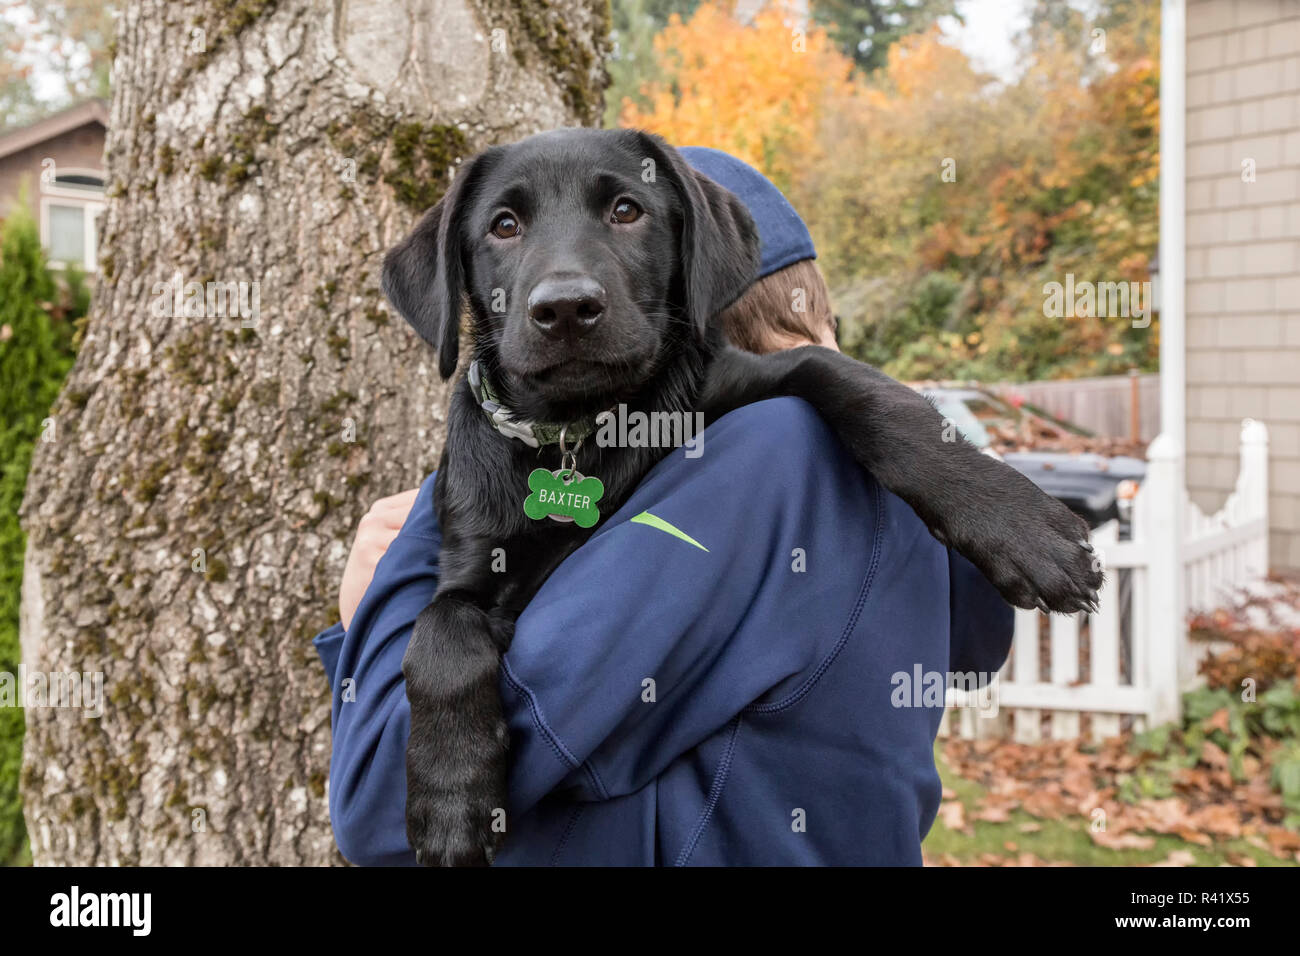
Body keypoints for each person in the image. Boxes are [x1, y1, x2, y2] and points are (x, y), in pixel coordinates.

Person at [312, 147, 1013, 866]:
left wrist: (391, 589)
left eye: (623, 217)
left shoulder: (770, 457)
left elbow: (379, 805)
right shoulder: (896, 480)